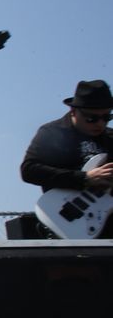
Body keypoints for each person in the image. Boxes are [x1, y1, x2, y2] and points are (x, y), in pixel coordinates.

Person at [21, 79, 113, 237]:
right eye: (92, 118)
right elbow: (29, 170)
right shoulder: (53, 133)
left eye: (106, 117)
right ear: (73, 111)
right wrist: (84, 178)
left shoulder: (110, 138)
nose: (100, 124)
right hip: (68, 217)